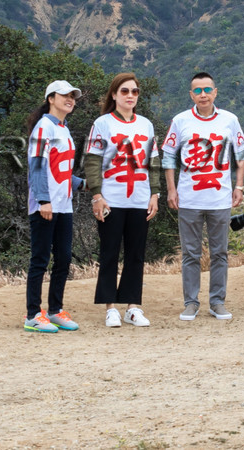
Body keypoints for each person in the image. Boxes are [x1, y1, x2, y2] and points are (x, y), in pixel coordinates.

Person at [162, 71, 244, 320]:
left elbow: (240, 154)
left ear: (215, 92)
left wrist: (239, 186)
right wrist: (171, 189)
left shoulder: (230, 120)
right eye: (198, 91)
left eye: (207, 90)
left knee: (220, 252)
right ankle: (191, 302)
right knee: (191, 253)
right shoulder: (181, 120)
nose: (203, 95)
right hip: (189, 197)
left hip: (220, 197)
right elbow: (168, 155)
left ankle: (217, 301)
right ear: (191, 94)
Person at [83, 72, 158, 328]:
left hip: (140, 198)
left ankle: (132, 307)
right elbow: (92, 160)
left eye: (134, 91)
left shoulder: (146, 125)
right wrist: (97, 195)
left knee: (136, 254)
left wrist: (155, 194)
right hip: (111, 198)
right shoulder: (103, 123)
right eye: (124, 91)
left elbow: (153, 162)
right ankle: (110, 307)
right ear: (114, 95)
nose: (130, 96)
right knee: (110, 252)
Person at [24, 80, 82, 333]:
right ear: (51, 98)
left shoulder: (63, 129)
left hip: (64, 205)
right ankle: (33, 315)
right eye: (64, 95)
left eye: (73, 96)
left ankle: (55, 311)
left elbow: (60, 169)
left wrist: (83, 184)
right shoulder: (43, 128)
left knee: (64, 259)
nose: (70, 99)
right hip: (45, 206)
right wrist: (43, 200)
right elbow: (37, 166)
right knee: (40, 259)